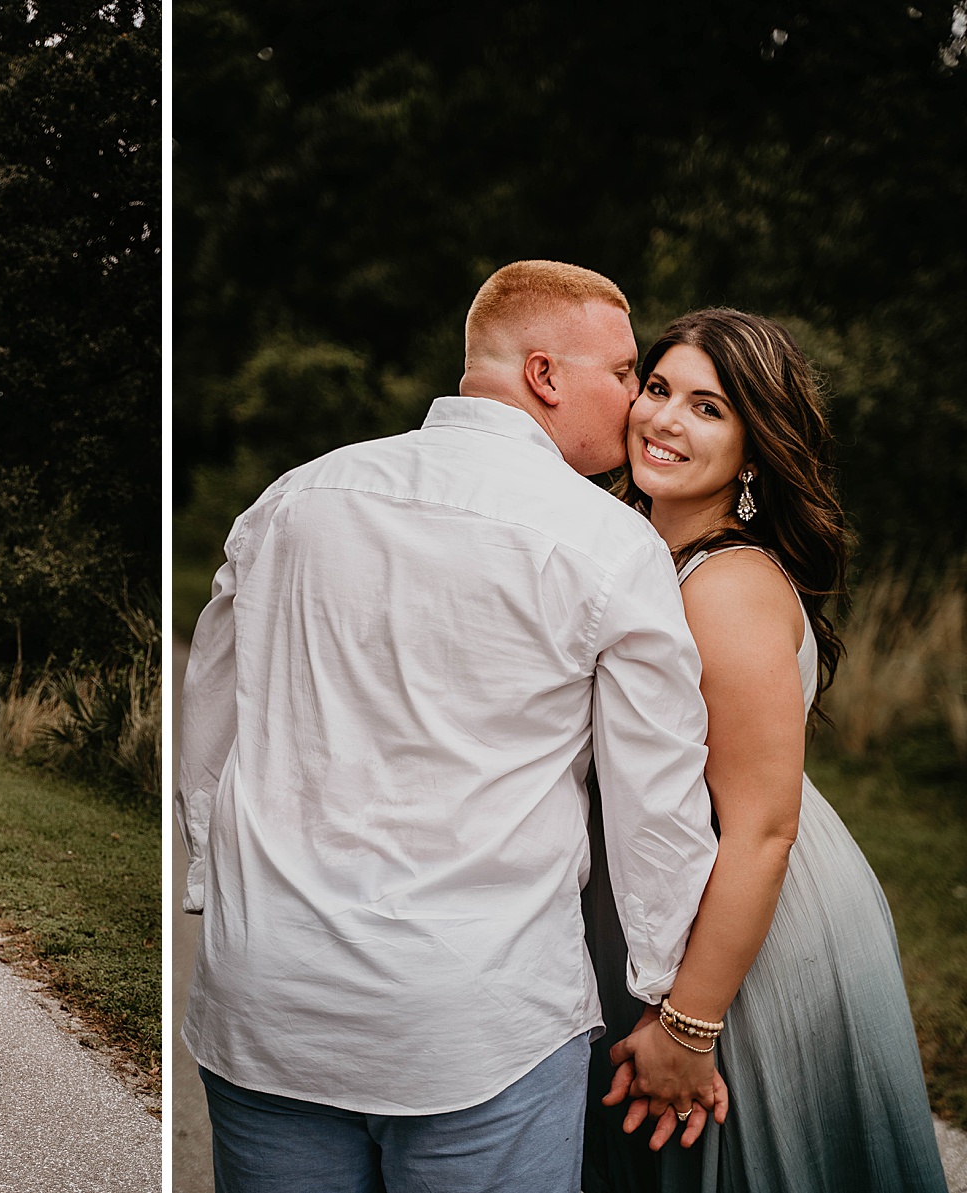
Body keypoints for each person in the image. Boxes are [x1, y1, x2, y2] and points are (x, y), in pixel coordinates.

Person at [176, 260, 723, 1192]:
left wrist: (211, 882)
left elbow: (211, 726)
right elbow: (656, 807)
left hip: (270, 994)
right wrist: (674, 1009)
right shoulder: (605, 541)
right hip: (479, 1019)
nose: (636, 400)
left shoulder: (292, 498)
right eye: (626, 372)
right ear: (546, 376)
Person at [583, 310, 949, 1192]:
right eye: (660, 389)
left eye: (708, 408)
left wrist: (689, 1025)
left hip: (744, 931)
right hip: (675, 901)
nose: (665, 419)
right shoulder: (646, 551)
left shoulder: (730, 584)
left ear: (752, 451)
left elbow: (762, 827)